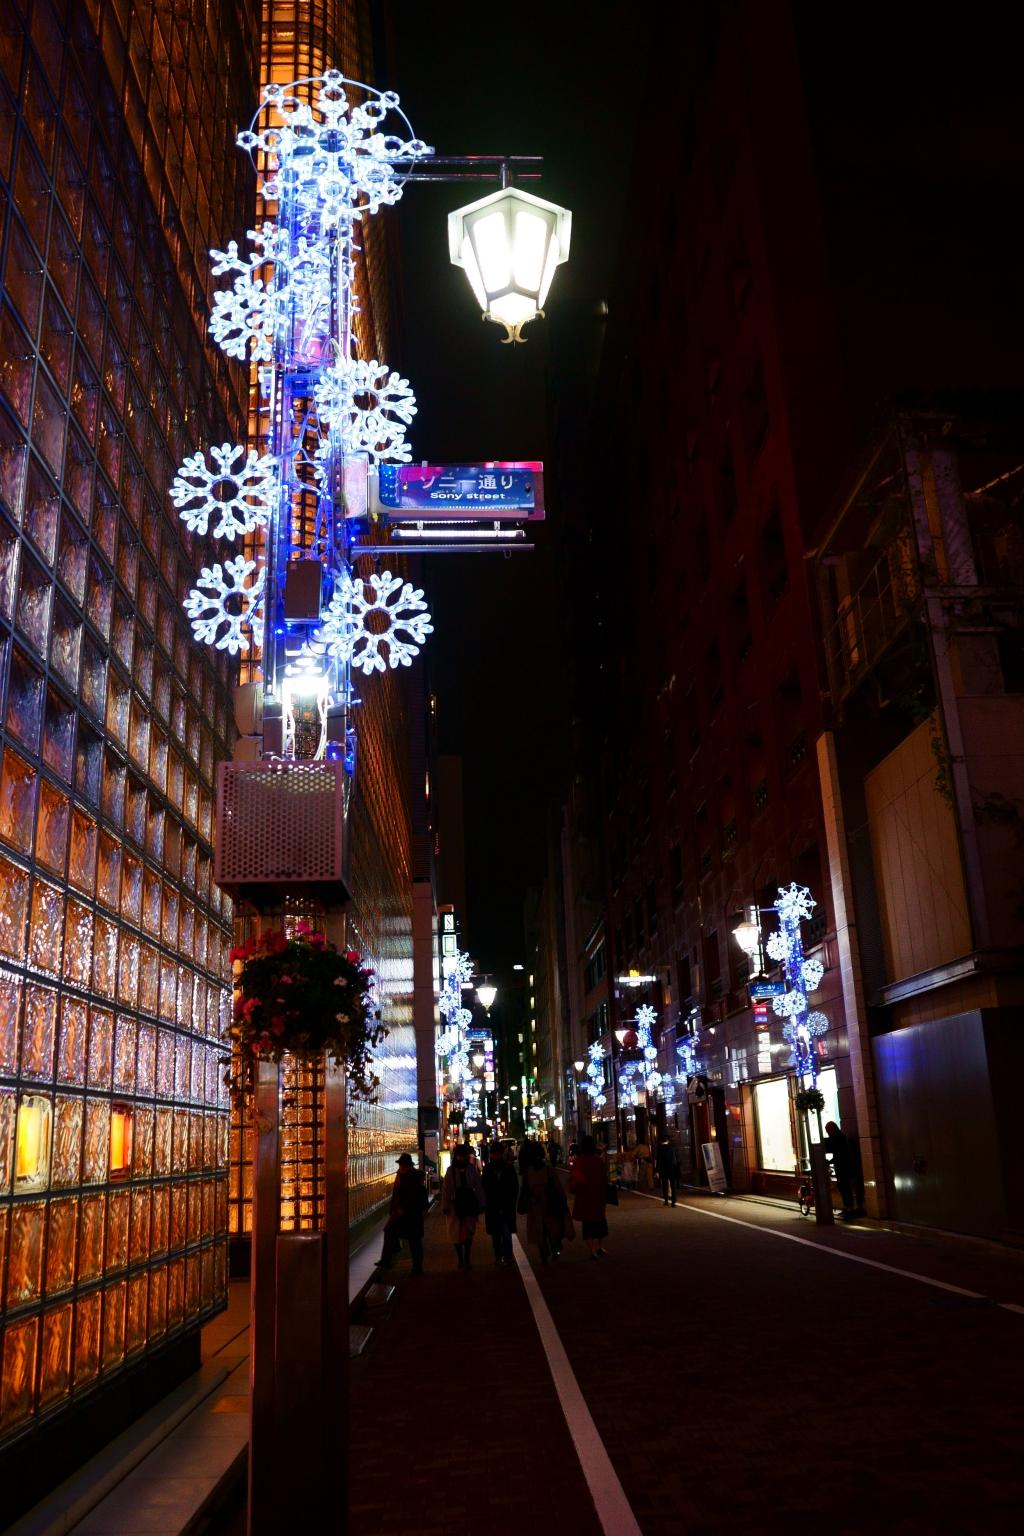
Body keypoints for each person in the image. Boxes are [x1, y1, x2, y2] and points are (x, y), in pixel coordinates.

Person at [376, 1153, 428, 1275]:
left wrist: (402, 1208)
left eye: (403, 1166)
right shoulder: (400, 1176)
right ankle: (387, 1259)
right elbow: (396, 1194)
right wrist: (393, 1209)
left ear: (409, 1166)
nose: (401, 1167)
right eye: (401, 1165)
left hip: (412, 1214)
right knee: (390, 1230)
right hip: (402, 1214)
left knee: (414, 1241)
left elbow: (412, 1196)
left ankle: (417, 1268)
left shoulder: (414, 1178)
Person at [521, 1143, 571, 1262]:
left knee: (540, 1231)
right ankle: (555, 1249)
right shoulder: (548, 1170)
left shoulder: (528, 1172)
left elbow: (525, 1190)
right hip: (549, 1204)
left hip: (535, 1205)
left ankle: (544, 1252)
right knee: (552, 1229)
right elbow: (558, 1188)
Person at [442, 1142, 484, 1268]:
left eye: (463, 1155)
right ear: (456, 1156)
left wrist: (482, 1203)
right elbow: (446, 1190)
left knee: (469, 1231)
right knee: (455, 1233)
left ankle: (466, 1257)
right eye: (459, 1156)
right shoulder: (450, 1171)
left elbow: (479, 1187)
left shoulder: (471, 1169)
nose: (461, 1158)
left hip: (469, 1204)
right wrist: (445, 1206)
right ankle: (461, 1257)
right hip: (455, 1206)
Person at [570, 1134, 609, 1258]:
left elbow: (574, 1179)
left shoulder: (579, 1161)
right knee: (600, 1222)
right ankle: (599, 1247)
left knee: (587, 1225)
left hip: (584, 1196)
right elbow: (605, 1179)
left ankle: (592, 1249)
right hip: (598, 1196)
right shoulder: (598, 1160)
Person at [482, 1142, 519, 1265]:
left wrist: (512, 1201)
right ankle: (499, 1255)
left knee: (505, 1232)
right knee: (496, 1233)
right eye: (494, 1154)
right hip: (494, 1205)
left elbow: (514, 1187)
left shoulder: (507, 1168)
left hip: (504, 1205)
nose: (496, 1156)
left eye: (498, 1154)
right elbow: (484, 1187)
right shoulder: (489, 1168)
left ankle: (507, 1256)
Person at [822, 1121, 862, 1219]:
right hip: (845, 1168)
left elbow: (839, 1155)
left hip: (844, 1168)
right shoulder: (841, 1137)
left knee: (845, 1189)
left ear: (832, 1130)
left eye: (828, 1131)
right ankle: (848, 1208)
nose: (827, 1133)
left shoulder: (839, 1139)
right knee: (844, 1188)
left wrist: (829, 1162)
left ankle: (849, 1209)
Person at [656, 1135, 680, 1206]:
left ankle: (666, 1201)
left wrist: (657, 1170)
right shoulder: (673, 1147)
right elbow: (678, 1158)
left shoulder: (660, 1148)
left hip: (663, 1169)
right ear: (668, 1140)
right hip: (673, 1168)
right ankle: (673, 1202)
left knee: (665, 1185)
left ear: (661, 1141)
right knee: (673, 1185)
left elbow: (658, 1160)